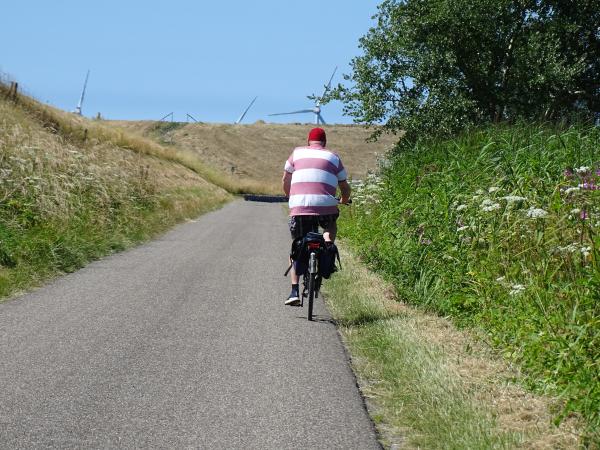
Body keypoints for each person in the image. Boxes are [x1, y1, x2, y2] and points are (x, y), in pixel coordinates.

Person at [282, 127, 351, 305]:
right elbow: (344, 186)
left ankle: (294, 291)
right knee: (330, 225)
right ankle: (327, 244)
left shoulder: (296, 153)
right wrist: (344, 200)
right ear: (324, 142)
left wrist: (291, 196)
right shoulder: (333, 157)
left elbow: (285, 179)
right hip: (325, 206)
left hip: (300, 206)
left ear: (308, 141)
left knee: (297, 246)